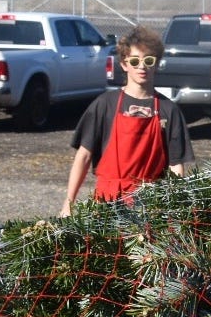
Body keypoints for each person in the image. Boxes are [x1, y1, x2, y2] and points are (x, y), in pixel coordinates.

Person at [61, 26, 194, 214]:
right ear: (124, 64)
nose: (142, 66)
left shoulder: (169, 110)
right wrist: (69, 203)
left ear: (156, 64)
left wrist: (173, 207)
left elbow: (175, 166)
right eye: (134, 61)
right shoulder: (105, 104)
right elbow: (83, 156)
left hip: (150, 206)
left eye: (149, 60)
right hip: (106, 203)